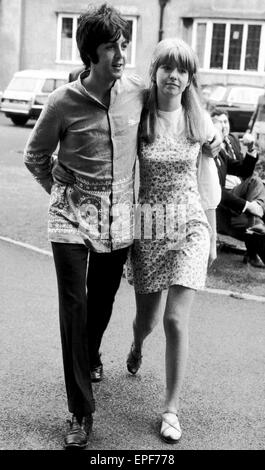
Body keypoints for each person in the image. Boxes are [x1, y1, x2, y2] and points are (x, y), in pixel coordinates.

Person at [24, 3, 145, 449]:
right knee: (74, 309)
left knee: (102, 301)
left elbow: (172, 111)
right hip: (69, 219)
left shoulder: (138, 92)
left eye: (123, 43)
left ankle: (90, 354)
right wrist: (59, 191)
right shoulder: (62, 102)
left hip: (117, 220)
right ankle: (80, 410)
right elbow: (35, 157)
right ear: (89, 55)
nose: (121, 53)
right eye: (111, 46)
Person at [125, 37, 221, 443]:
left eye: (182, 69)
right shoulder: (139, 113)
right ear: (156, 71)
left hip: (191, 226)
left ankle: (171, 409)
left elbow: (207, 182)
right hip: (149, 227)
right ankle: (135, 345)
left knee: (175, 319)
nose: (175, 75)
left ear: (190, 78)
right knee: (147, 321)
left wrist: (213, 234)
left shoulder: (199, 119)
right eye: (167, 67)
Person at [210, 109, 265, 268]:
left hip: (236, 194)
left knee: (254, 181)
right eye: (219, 124)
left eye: (225, 122)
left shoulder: (222, 151)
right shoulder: (207, 153)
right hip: (220, 206)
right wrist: (249, 206)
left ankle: (257, 217)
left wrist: (251, 150)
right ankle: (256, 216)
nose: (223, 127)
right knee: (254, 185)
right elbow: (217, 191)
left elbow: (244, 171)